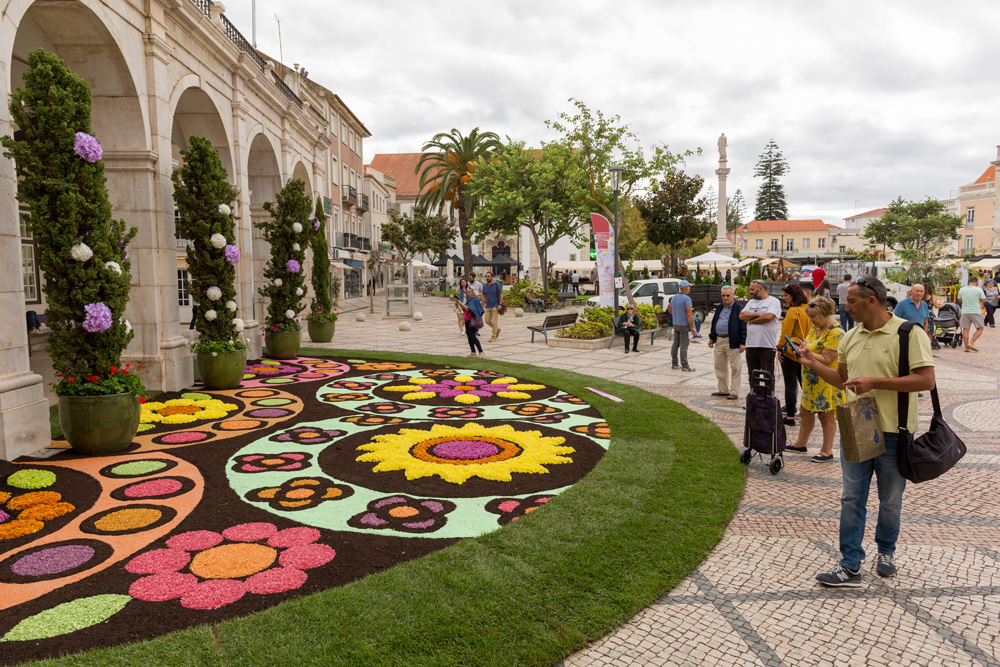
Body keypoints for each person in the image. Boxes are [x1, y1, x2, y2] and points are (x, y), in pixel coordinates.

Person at [799, 276, 934, 586]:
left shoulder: (908, 333)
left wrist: (875, 383)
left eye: (852, 302)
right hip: (857, 424)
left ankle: (886, 552)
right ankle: (850, 564)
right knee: (851, 498)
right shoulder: (849, 337)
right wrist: (811, 362)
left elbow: (926, 381)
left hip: (894, 430)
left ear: (871, 301)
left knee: (889, 500)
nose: (847, 307)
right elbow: (841, 378)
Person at [786, 297, 845, 462]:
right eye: (809, 316)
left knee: (826, 415)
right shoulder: (815, 328)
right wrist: (800, 349)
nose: (810, 320)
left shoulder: (835, 332)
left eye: (814, 316)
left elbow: (828, 359)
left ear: (826, 314)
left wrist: (808, 355)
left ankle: (827, 451)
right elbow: (809, 347)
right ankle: (800, 444)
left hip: (827, 380)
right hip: (811, 381)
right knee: (805, 411)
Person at [740, 279, 782, 386]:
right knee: (753, 377)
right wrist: (760, 315)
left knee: (768, 376)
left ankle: (768, 399)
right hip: (751, 345)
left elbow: (769, 317)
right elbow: (741, 316)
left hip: (766, 345)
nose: (750, 292)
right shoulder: (751, 302)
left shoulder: (774, 301)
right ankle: (755, 400)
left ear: (761, 288)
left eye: (753, 289)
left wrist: (751, 319)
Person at [779, 284, 810, 426]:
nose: (784, 298)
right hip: (806, 351)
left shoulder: (793, 311)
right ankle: (809, 411)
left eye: (786, 295)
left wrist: (779, 348)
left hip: (791, 352)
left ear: (794, 296)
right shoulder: (809, 310)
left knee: (790, 385)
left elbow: (785, 333)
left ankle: (790, 417)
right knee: (805, 384)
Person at [708, 286, 747, 400]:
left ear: (733, 295)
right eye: (723, 295)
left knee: (735, 367)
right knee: (719, 366)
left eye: (727, 295)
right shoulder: (720, 307)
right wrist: (712, 337)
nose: (725, 298)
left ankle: (734, 391)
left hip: (733, 341)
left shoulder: (739, 308)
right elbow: (715, 322)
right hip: (719, 340)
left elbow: (743, 326)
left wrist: (742, 342)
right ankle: (723, 389)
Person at [670, 280, 696, 372]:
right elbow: (689, 314)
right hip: (684, 325)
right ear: (685, 287)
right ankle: (685, 365)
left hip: (676, 323)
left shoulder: (673, 297)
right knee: (684, 345)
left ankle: (674, 363)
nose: (690, 288)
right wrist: (693, 327)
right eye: (689, 286)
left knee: (675, 344)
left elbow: (670, 309)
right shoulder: (687, 299)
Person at [957, 275, 987, 352]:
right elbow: (984, 300)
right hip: (975, 311)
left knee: (965, 330)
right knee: (980, 328)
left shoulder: (962, 289)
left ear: (968, 282)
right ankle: (971, 343)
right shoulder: (978, 290)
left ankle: (966, 347)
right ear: (976, 282)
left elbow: (960, 300)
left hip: (965, 311)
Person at [457, 287, 485, 358]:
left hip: (472, 321)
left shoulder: (475, 300)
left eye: (469, 292)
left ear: (473, 292)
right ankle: (473, 351)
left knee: (472, 336)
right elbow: (465, 307)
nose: (467, 293)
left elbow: (468, 308)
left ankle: (481, 351)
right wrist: (460, 304)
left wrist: (459, 302)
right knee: (469, 336)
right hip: (467, 320)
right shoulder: (470, 300)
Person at [482, 271, 504, 342]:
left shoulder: (496, 284)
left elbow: (501, 294)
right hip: (488, 306)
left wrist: (500, 304)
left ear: (492, 277)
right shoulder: (484, 286)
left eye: (488, 276)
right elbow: (484, 296)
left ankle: (493, 336)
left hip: (495, 305)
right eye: (486, 276)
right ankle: (497, 329)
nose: (487, 278)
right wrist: (482, 305)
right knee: (487, 321)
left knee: (494, 322)